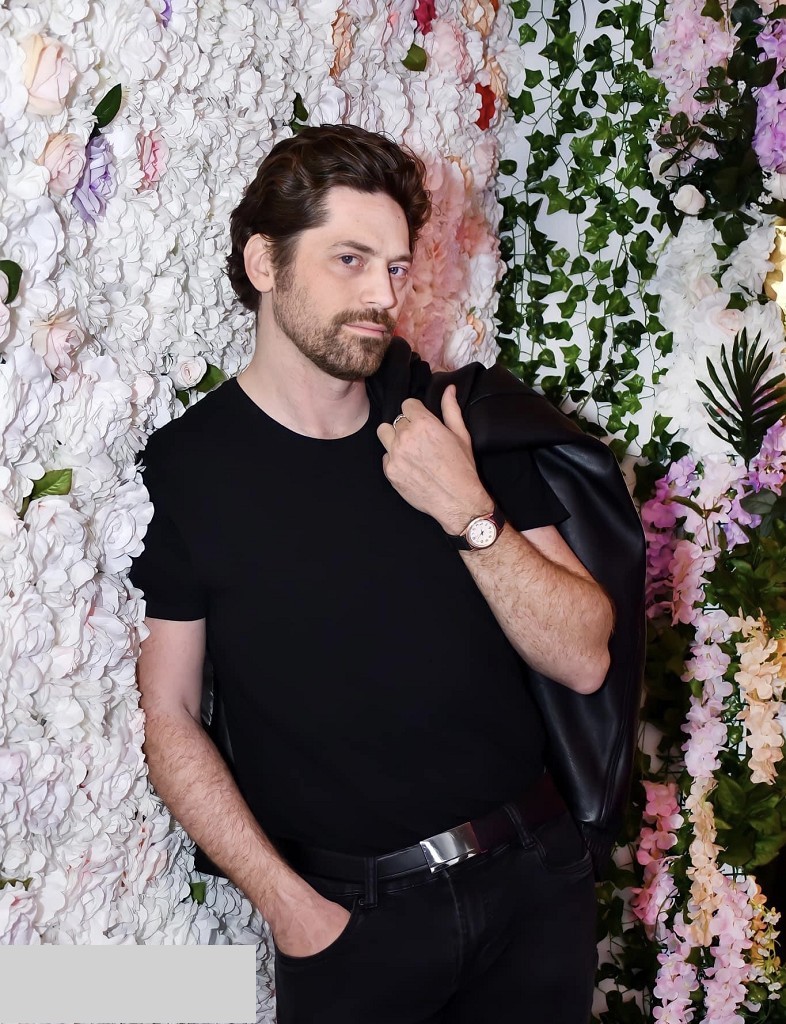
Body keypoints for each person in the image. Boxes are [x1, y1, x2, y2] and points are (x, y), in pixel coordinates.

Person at [130, 124, 640, 1024]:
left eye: (396, 267)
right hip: (352, 930)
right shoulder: (190, 468)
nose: (382, 295)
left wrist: (465, 508)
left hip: (533, 883)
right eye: (350, 260)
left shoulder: (452, 417)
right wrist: (291, 910)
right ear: (264, 262)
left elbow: (585, 655)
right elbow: (168, 716)